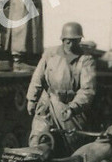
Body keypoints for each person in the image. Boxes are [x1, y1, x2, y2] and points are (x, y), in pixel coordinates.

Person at [26, 21, 96, 150]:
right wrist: (31, 99)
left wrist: (73, 108)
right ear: (62, 40)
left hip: (68, 108)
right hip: (47, 103)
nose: (70, 44)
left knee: (72, 145)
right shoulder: (50, 54)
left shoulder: (85, 60)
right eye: (67, 41)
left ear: (80, 40)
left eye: (74, 41)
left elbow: (87, 90)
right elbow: (38, 77)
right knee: (37, 140)